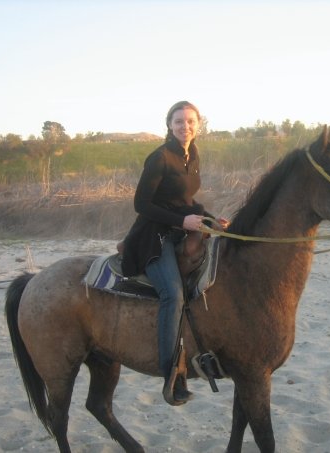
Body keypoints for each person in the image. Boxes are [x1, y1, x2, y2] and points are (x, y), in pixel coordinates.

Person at [120, 101, 228, 405]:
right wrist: (182, 221)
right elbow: (141, 205)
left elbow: (185, 197)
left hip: (179, 228)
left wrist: (211, 218)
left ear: (199, 124)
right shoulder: (159, 157)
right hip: (153, 236)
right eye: (179, 121)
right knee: (173, 294)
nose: (185, 126)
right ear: (169, 125)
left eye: (190, 121)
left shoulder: (192, 154)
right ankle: (171, 373)